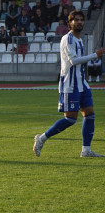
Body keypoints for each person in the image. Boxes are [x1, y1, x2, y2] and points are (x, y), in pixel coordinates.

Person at [33, 10, 105, 158]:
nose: (79, 22)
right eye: (76, 20)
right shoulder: (68, 39)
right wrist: (95, 55)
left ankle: (86, 150)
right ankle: (41, 138)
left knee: (90, 114)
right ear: (70, 23)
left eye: (81, 20)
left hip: (81, 83)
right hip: (70, 84)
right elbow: (73, 61)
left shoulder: (79, 39)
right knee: (70, 119)